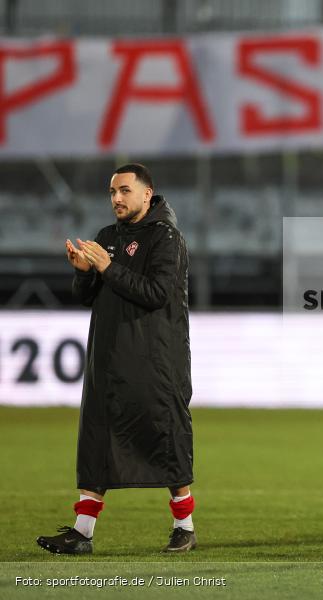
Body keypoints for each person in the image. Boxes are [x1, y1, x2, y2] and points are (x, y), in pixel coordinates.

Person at [36, 164, 195, 554]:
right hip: (108, 359)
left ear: (147, 194)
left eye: (125, 191)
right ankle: (82, 532)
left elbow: (156, 292)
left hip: (156, 362)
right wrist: (84, 275)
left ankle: (184, 526)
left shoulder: (167, 239)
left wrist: (108, 267)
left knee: (164, 436)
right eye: (112, 192)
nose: (117, 199)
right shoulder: (106, 237)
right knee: (96, 439)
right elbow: (91, 297)